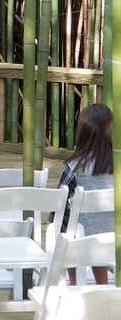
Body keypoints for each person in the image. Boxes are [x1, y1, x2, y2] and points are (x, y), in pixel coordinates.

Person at [56, 103, 114, 285]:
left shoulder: (74, 167)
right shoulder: (117, 165)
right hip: (113, 239)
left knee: (68, 228)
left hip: (81, 241)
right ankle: (103, 285)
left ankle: (74, 283)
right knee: (99, 225)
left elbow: (60, 205)